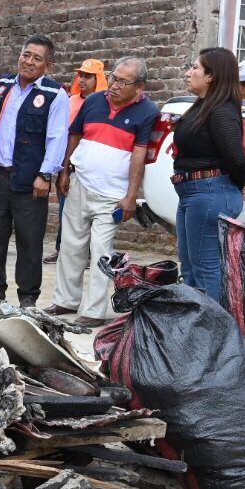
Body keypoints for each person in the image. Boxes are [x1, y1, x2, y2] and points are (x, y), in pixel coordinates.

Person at [47, 57, 159, 327]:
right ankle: (66, 300)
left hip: (112, 195)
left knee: (100, 251)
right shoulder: (94, 101)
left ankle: (95, 311)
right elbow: (74, 136)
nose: (115, 85)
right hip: (80, 183)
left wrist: (131, 196)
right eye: (113, 77)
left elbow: (139, 155)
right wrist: (65, 171)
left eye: (123, 81)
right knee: (71, 246)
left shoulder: (148, 111)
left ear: (139, 86)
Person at [0, 34, 70, 306]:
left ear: (48, 65)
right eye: (25, 55)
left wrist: (45, 175)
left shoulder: (55, 94)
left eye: (37, 58)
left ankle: (28, 299)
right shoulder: (2, 84)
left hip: (31, 180)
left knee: (29, 242)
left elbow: (57, 138)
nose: (28, 62)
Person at [170, 47, 245, 302]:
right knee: (191, 268)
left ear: (211, 76)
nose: (188, 72)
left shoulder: (221, 110)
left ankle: (211, 332)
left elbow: (236, 157)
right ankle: (197, 328)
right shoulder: (204, 107)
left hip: (209, 193)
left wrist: (236, 184)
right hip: (194, 193)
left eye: (194, 68)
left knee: (205, 270)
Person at [46, 59, 106, 264]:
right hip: (69, 166)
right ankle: (61, 249)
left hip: (93, 168)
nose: (82, 80)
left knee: (90, 214)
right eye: (80, 75)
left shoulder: (105, 105)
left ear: (98, 79)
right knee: (66, 211)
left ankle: (88, 254)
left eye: (88, 77)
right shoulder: (70, 101)